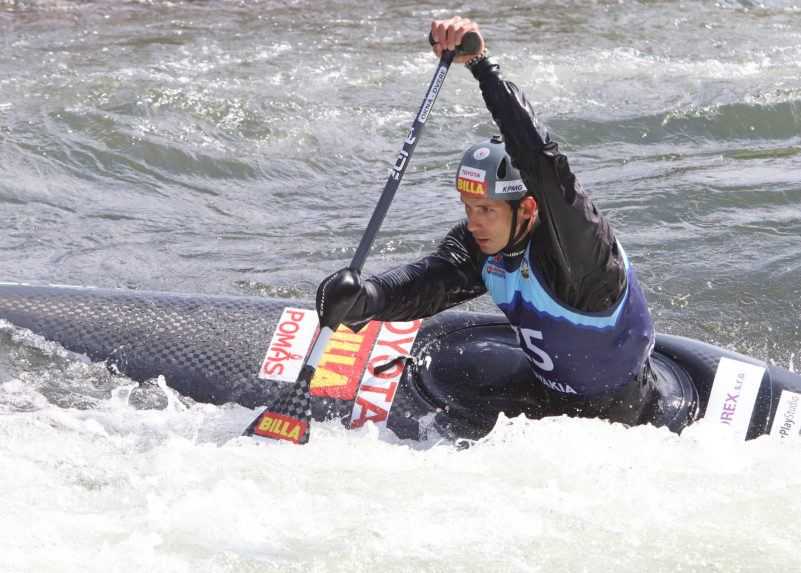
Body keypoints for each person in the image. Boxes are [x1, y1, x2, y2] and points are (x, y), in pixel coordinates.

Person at [316, 17, 657, 427]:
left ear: (528, 209)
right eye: (468, 207)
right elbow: (430, 283)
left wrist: (482, 66)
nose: (474, 223)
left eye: (487, 210)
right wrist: (367, 298)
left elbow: (543, 162)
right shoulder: (486, 245)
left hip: (620, 415)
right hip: (541, 393)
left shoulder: (582, 252)